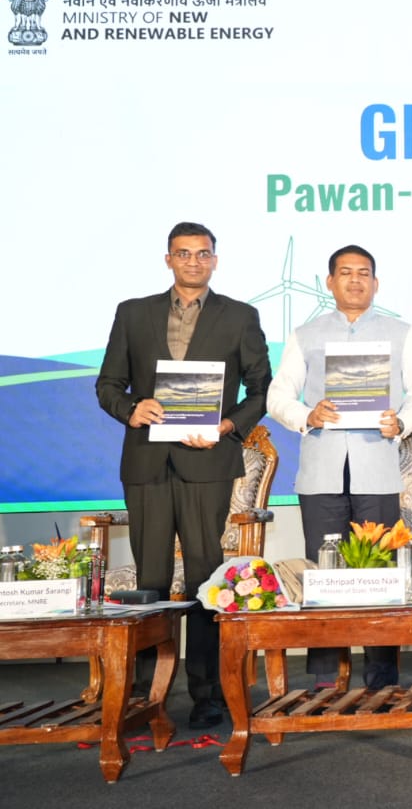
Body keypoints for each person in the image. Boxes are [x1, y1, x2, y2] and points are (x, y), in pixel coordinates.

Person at [96, 221, 272, 729]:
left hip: (207, 462)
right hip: (147, 463)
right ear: (168, 259)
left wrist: (229, 425)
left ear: (215, 260)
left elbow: (261, 389)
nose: (193, 261)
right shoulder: (133, 313)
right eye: (183, 253)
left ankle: (208, 696)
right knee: (149, 581)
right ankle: (140, 698)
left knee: (204, 579)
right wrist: (130, 409)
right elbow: (108, 383)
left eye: (203, 254)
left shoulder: (240, 316)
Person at [266, 244, 412, 690]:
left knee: (380, 573)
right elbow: (277, 396)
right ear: (329, 282)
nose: (355, 280)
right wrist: (306, 416)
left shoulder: (403, 333)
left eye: (364, 273)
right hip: (321, 471)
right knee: (325, 573)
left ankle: (383, 679)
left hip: (377, 468)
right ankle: (324, 679)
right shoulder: (305, 334)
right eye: (345, 272)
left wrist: (404, 421)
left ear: (376, 284)